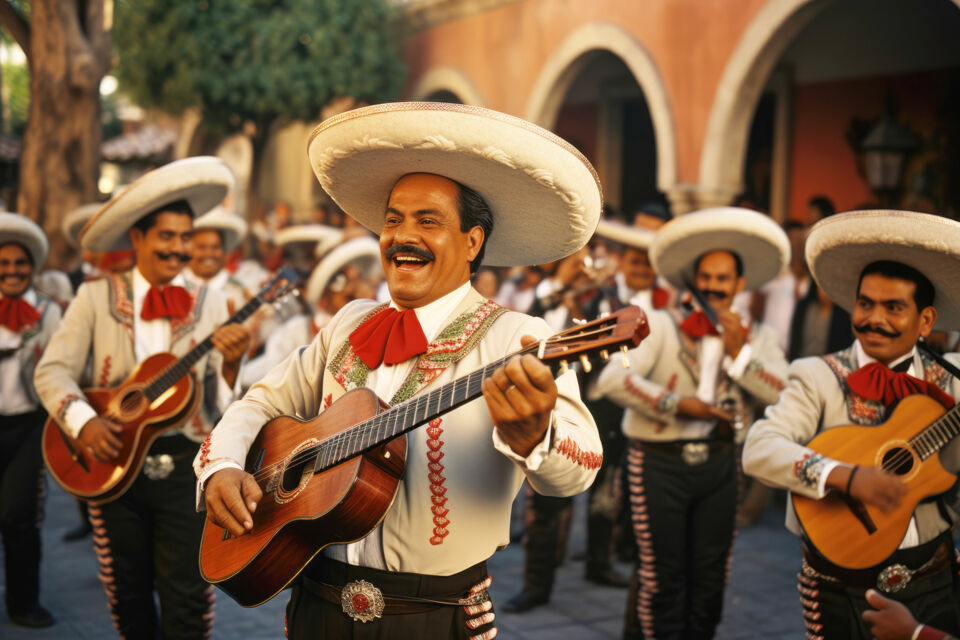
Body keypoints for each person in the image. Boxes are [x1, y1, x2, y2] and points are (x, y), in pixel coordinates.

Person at [196, 102, 604, 639]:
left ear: (473, 241)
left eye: (427, 221)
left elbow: (581, 467)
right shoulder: (349, 323)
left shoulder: (518, 338)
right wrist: (223, 464)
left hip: (435, 616)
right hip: (313, 602)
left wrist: (535, 436)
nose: (401, 236)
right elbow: (260, 401)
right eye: (393, 220)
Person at [33, 157, 251, 639]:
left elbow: (220, 400)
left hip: (186, 468)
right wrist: (84, 421)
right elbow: (52, 372)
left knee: (189, 595)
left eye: (185, 238)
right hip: (112, 470)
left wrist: (231, 365)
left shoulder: (210, 300)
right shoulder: (94, 297)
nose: (178, 249)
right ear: (137, 239)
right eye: (167, 237)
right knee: (126, 590)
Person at [743, 210, 960, 639]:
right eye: (865, 303)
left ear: (926, 321)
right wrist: (844, 475)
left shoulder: (952, 380)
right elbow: (760, 448)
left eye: (893, 307)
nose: (872, 318)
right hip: (840, 589)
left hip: (935, 580)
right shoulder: (818, 375)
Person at [593, 207, 790, 639]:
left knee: (711, 576)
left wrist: (740, 355)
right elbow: (611, 378)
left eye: (724, 279)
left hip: (721, 464)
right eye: (707, 277)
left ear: (739, 285)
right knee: (662, 576)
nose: (714, 286)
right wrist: (679, 405)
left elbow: (783, 393)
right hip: (659, 463)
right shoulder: (662, 324)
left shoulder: (759, 336)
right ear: (693, 280)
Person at [504, 218, 668, 612]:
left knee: (606, 498)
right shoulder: (585, 292)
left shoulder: (656, 304)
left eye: (647, 263)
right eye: (635, 261)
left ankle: (600, 563)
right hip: (567, 402)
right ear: (623, 261)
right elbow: (537, 323)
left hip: (612, 412)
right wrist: (568, 290)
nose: (641, 269)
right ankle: (536, 585)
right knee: (548, 498)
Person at [0, 213, 61, 628]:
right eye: (3, 263)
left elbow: (61, 367)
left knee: (19, 516)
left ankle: (24, 603)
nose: (12, 271)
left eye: (20, 263)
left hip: (26, 428)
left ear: (32, 267)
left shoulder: (48, 312)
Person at [184, 205, 251, 313]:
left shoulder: (241, 291)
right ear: (188, 249)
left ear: (224, 251)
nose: (209, 254)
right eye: (201, 247)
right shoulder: (174, 286)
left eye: (215, 247)